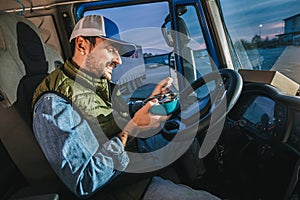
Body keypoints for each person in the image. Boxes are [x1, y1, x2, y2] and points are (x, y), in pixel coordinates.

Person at [32, 15, 220, 199]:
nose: (119, 60)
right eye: (111, 50)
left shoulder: (96, 83)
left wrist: (149, 103)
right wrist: (130, 132)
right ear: (82, 45)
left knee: (187, 130)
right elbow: (84, 181)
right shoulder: (52, 105)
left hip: (133, 161)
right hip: (119, 186)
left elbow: (107, 115)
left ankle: (202, 181)